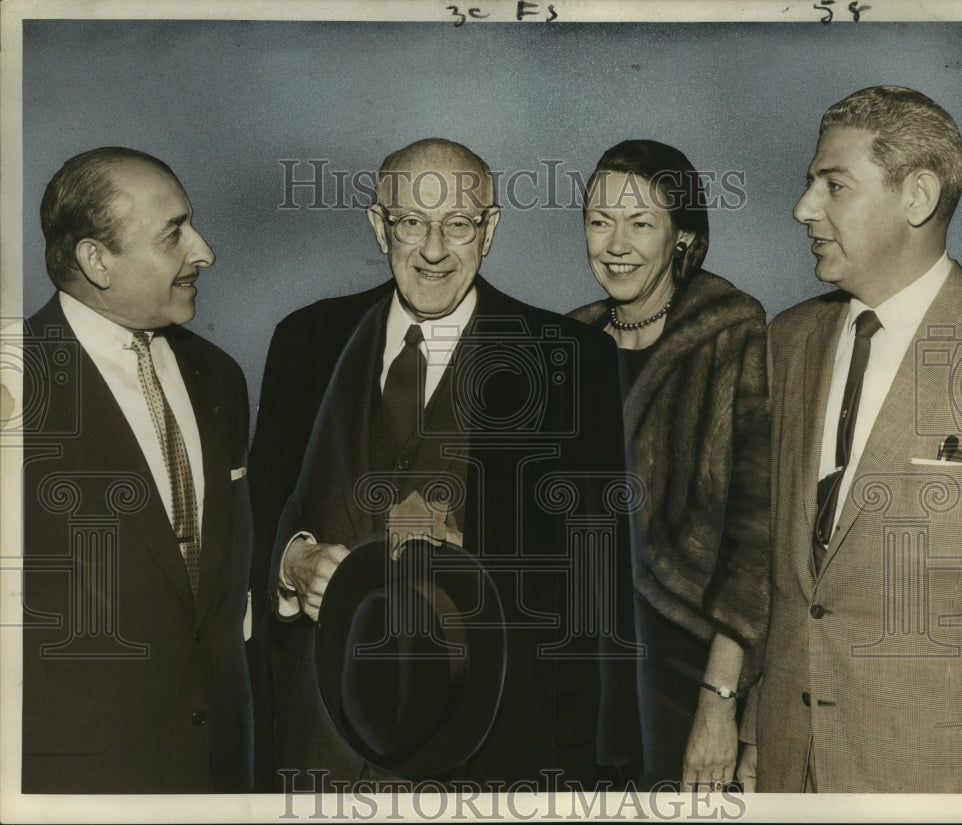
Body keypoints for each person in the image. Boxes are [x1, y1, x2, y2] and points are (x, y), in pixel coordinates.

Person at [250, 138, 640, 790]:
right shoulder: (306, 339)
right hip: (317, 746)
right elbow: (258, 512)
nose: (434, 250)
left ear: (489, 229)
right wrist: (291, 563)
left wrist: (473, 563)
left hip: (484, 751)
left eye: (458, 224)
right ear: (380, 225)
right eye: (411, 223)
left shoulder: (571, 358)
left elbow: (596, 578)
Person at [738, 86, 962, 793]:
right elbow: (777, 570)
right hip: (788, 762)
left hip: (935, 774)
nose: (803, 208)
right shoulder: (788, 340)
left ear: (917, 196)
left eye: (832, 184)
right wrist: (754, 731)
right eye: (810, 183)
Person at [18, 147, 253, 792]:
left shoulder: (220, 377)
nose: (203, 251)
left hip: (219, 773)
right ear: (97, 261)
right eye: (174, 233)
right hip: (71, 782)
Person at [568, 140, 770, 790]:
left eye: (640, 223)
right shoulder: (566, 341)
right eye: (600, 221)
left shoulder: (732, 332)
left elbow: (754, 537)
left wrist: (721, 701)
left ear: (682, 237)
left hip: (684, 668)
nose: (615, 243)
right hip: (579, 668)